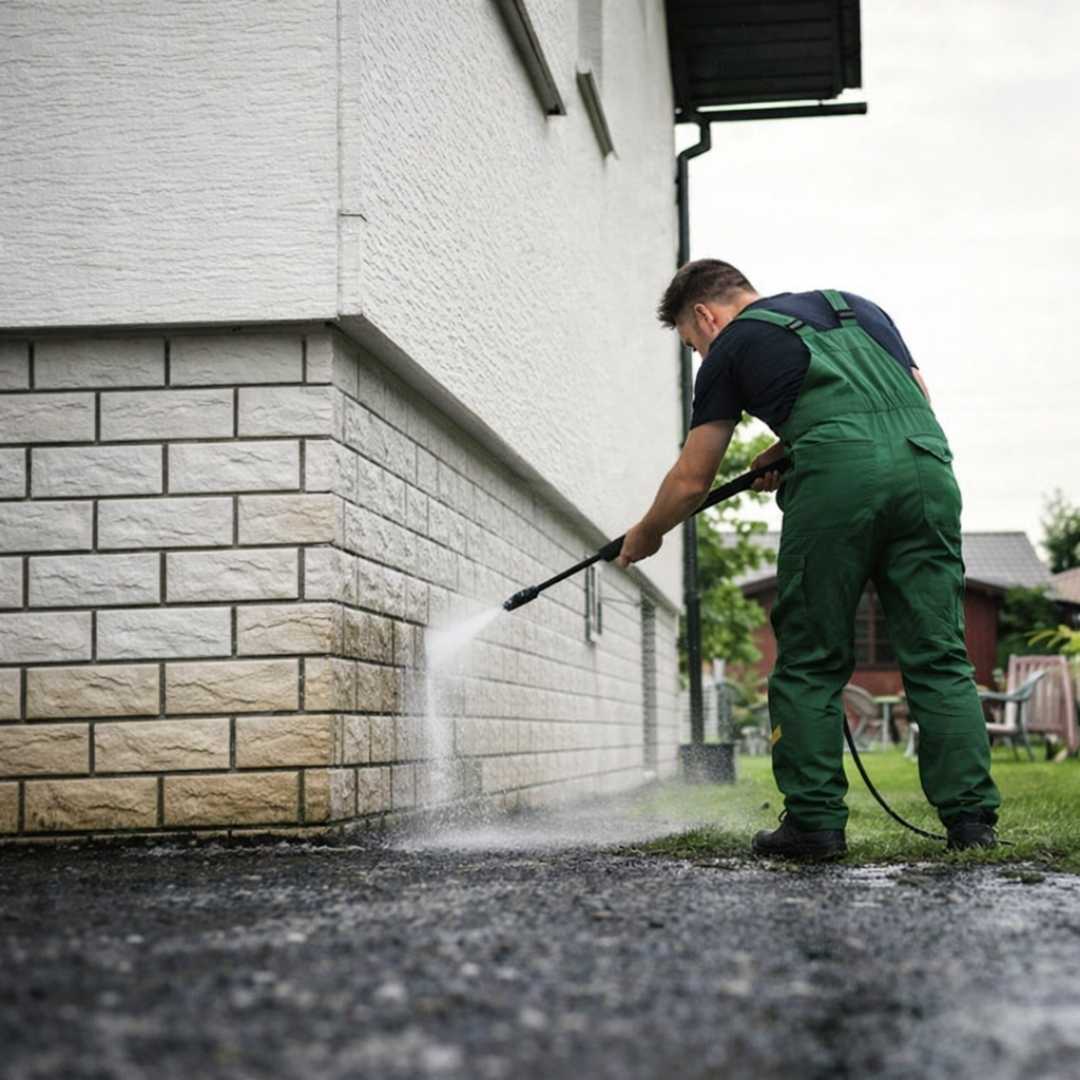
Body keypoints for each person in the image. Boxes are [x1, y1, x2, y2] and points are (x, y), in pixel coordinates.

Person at [615, 259, 1001, 858]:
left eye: (693, 345)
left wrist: (648, 532)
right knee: (939, 651)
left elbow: (692, 480)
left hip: (839, 483)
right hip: (927, 468)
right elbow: (917, 396)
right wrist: (788, 446)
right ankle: (972, 824)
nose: (700, 355)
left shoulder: (731, 346)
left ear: (705, 316)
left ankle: (814, 824)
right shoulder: (857, 308)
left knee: (810, 656)